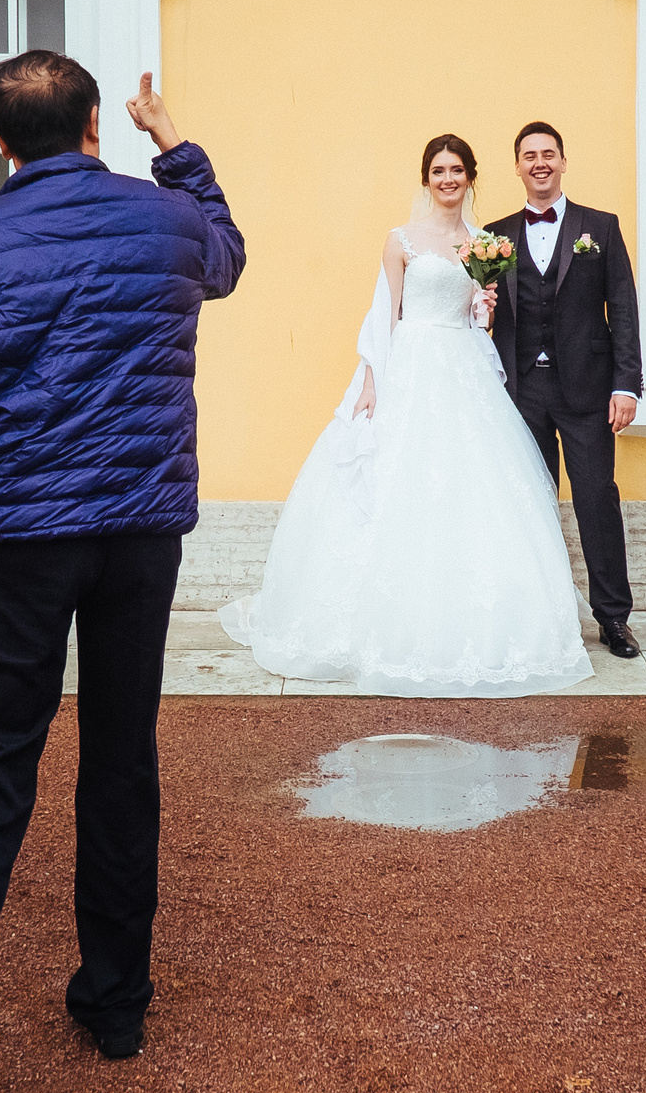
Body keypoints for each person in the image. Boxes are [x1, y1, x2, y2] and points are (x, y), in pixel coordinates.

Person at [0, 57, 245, 1093]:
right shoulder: (167, 219)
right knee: (121, 751)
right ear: (95, 126)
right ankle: (115, 1002)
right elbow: (225, 255)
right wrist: (172, 137)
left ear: (1, 144)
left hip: (26, 535)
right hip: (138, 527)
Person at [218, 135, 592, 695]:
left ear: (471, 178)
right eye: (439, 170)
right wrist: (371, 382)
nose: (448, 180)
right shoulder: (400, 241)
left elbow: (477, 321)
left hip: (463, 368)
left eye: (458, 170)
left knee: (471, 491)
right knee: (397, 483)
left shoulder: (485, 244)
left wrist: (480, 308)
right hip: (411, 365)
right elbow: (383, 315)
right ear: (426, 178)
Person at [482, 122, 646, 659]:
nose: (539, 163)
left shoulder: (600, 225)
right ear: (517, 166)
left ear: (563, 161)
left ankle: (613, 618)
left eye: (548, 154)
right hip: (520, 386)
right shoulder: (494, 233)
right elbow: (480, 312)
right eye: (529, 156)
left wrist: (626, 384)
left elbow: (622, 307)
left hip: (588, 389)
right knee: (528, 503)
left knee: (597, 497)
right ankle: (536, 617)